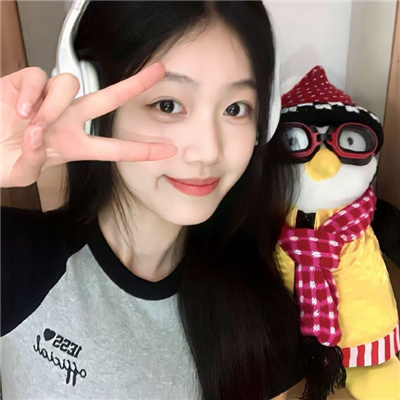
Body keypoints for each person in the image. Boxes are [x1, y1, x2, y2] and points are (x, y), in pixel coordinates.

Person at [1, 1, 355, 399]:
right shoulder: (13, 260)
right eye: (168, 105)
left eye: (236, 109)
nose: (207, 151)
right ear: (92, 102)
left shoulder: (261, 320)